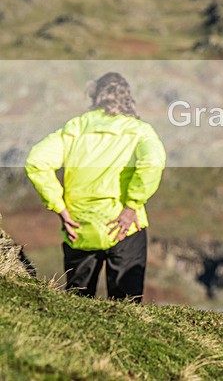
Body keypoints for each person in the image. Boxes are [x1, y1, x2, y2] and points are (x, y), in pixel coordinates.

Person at [25, 72, 166, 301]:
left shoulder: (74, 128)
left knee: (77, 302)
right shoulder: (139, 130)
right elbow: (152, 162)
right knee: (127, 306)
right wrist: (132, 206)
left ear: (95, 96)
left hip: (79, 226)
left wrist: (60, 207)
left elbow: (36, 162)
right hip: (124, 227)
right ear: (127, 98)